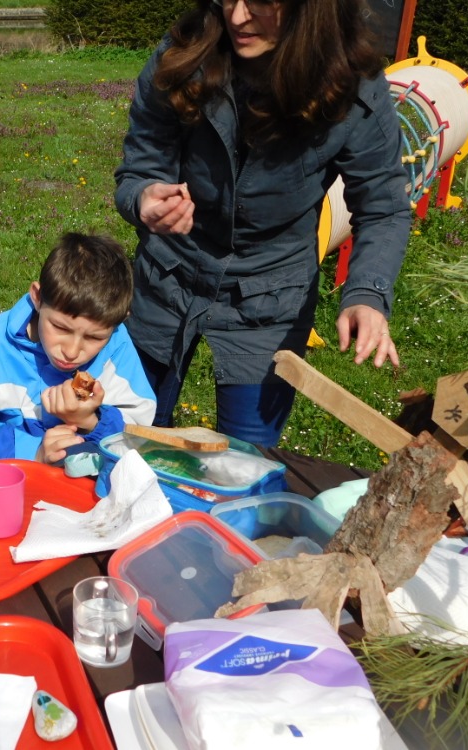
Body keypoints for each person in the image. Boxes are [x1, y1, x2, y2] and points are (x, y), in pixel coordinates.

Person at [114, 0, 412, 447]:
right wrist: (143, 198)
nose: (237, 17)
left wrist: (367, 294)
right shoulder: (184, 53)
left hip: (270, 296)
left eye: (258, 2)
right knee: (127, 439)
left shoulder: (352, 83)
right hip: (168, 275)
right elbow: (141, 166)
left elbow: (383, 206)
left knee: (245, 462)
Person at [0, 232, 157, 479]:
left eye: (94, 338)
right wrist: (35, 455)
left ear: (118, 323)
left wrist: (91, 421)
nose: (72, 351)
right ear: (37, 297)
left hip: (81, 478)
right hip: (5, 476)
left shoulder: (117, 344)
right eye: (60, 328)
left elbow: (137, 434)